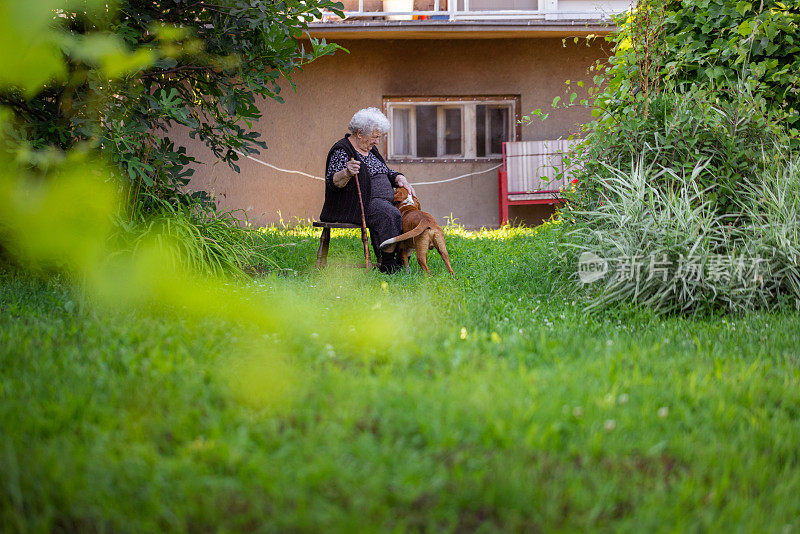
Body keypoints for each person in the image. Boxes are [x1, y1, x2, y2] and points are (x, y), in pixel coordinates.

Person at [320, 107, 416, 274]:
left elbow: (385, 171)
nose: (377, 142)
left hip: (381, 200)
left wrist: (399, 177)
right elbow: (333, 182)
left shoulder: (371, 150)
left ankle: (402, 256)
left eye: (378, 137)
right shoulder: (342, 150)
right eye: (375, 137)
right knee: (390, 214)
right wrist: (347, 172)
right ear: (359, 133)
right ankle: (387, 263)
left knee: (411, 214)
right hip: (356, 203)